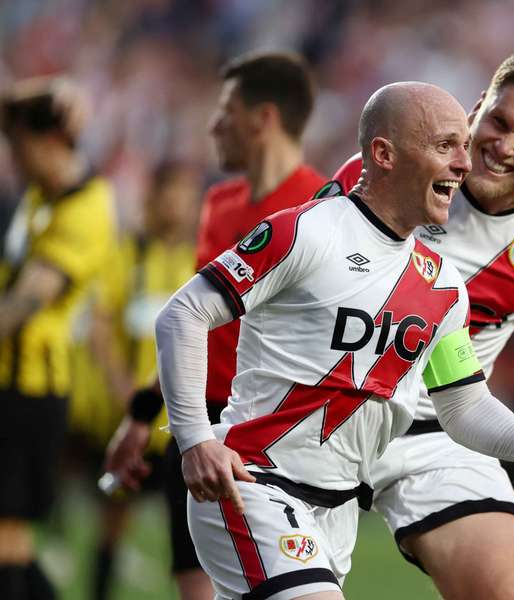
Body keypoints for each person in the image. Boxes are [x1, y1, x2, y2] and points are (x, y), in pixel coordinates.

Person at [157, 81, 514, 600]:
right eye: (446, 147)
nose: (464, 164)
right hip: (256, 485)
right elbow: (185, 312)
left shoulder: (442, 285)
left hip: (337, 504)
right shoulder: (307, 232)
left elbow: (462, 404)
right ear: (384, 154)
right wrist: (194, 439)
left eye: (462, 147)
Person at [322, 46, 514, 599]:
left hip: (442, 433)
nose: (504, 147)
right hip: (323, 418)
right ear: (475, 108)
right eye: (499, 122)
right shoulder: (382, 173)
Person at [102, 50, 326, 600]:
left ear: (263, 118)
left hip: (279, 427)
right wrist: (141, 415)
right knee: (194, 579)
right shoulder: (219, 204)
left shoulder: (324, 208)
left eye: (225, 109)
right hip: (200, 423)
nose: (212, 124)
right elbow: (194, 326)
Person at [0, 79, 116, 599]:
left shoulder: (86, 209)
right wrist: (57, 92)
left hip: (29, 393)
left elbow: (22, 306)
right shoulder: (43, 195)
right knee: (10, 545)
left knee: (8, 543)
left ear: (48, 143)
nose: (12, 158)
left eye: (18, 145)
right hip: (13, 386)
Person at [67, 161, 200, 600]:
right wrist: (124, 388)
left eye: (187, 194)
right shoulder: (128, 255)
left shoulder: (198, 258)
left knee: (192, 538)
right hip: (132, 419)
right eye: (172, 193)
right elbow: (100, 326)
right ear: (153, 198)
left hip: (179, 426)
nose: (180, 205)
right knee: (113, 524)